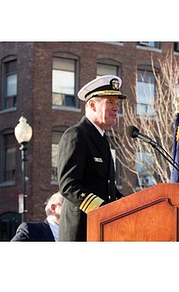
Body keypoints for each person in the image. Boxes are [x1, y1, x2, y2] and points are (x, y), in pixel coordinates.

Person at [57, 75, 127, 241]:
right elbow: (69, 185)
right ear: (92, 105)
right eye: (110, 102)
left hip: (100, 228)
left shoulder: (102, 139)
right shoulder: (76, 135)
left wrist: (132, 204)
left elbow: (107, 189)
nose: (116, 108)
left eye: (117, 103)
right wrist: (103, 209)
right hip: (81, 231)